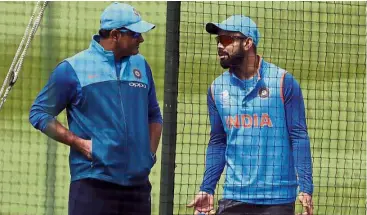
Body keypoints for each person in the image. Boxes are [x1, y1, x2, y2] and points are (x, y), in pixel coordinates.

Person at [29, 2, 162, 215]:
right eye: (136, 34)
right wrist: (79, 143)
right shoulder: (73, 69)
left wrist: (148, 155)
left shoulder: (141, 65)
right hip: (93, 185)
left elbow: (154, 114)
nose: (141, 39)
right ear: (116, 35)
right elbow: (39, 113)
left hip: (137, 188)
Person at [188, 15, 314, 215]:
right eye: (218, 40)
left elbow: (299, 136)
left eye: (228, 40)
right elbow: (218, 141)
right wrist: (207, 188)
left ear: (248, 43)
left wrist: (306, 188)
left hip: (277, 199)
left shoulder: (282, 82)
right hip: (234, 196)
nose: (220, 46)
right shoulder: (217, 88)